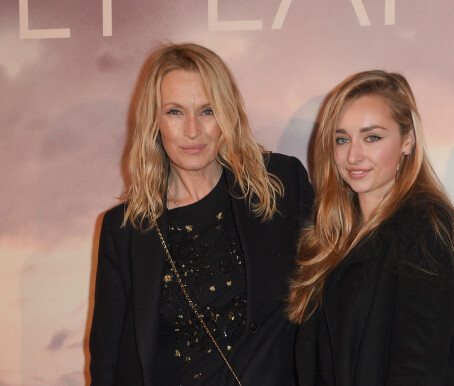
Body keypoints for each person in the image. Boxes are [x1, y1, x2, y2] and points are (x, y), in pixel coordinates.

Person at [89, 43, 313, 385]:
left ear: (228, 114)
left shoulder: (281, 185)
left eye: (207, 111)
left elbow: (326, 305)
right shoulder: (124, 230)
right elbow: (107, 363)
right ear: (154, 121)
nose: (192, 130)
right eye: (175, 112)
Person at [287, 70, 454, 385]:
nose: (353, 155)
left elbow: (418, 370)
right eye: (342, 139)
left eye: (372, 137)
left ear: (408, 141)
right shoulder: (332, 234)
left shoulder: (426, 227)